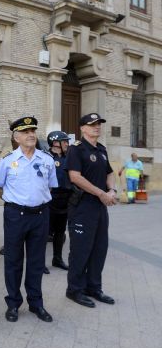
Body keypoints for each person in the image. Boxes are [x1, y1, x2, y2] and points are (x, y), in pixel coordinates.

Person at [0, 116, 57, 323]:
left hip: (40, 215)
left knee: (37, 261)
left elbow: (51, 186)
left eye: (33, 131)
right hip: (15, 216)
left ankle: (36, 304)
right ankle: (13, 303)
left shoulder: (46, 159)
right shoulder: (8, 161)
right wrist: (14, 202)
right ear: (16, 136)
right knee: (13, 261)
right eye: (26, 132)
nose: (31, 135)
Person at [65, 113, 117, 308]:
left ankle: (94, 287)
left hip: (100, 208)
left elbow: (109, 173)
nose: (97, 127)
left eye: (99, 124)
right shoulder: (76, 149)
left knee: (99, 248)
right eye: (92, 124)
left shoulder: (102, 149)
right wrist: (100, 194)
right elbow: (75, 177)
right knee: (81, 249)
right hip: (83, 206)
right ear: (83, 128)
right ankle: (74, 290)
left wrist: (111, 190)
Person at [45, 130, 71, 273]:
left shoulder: (69, 157)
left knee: (60, 232)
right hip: (50, 200)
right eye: (64, 141)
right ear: (55, 143)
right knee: (44, 233)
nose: (67, 143)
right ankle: (40, 262)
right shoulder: (45, 157)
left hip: (65, 200)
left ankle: (57, 258)